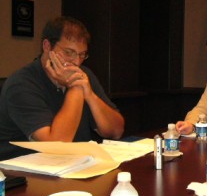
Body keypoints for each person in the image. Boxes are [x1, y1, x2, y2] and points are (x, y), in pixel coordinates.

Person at [0, 16, 125, 159]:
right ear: (47, 46)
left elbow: (116, 131)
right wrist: (76, 88)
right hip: (21, 174)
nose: (76, 62)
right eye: (68, 52)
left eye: (82, 54)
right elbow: (57, 146)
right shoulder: (21, 83)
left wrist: (91, 96)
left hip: (74, 166)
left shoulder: (85, 75)